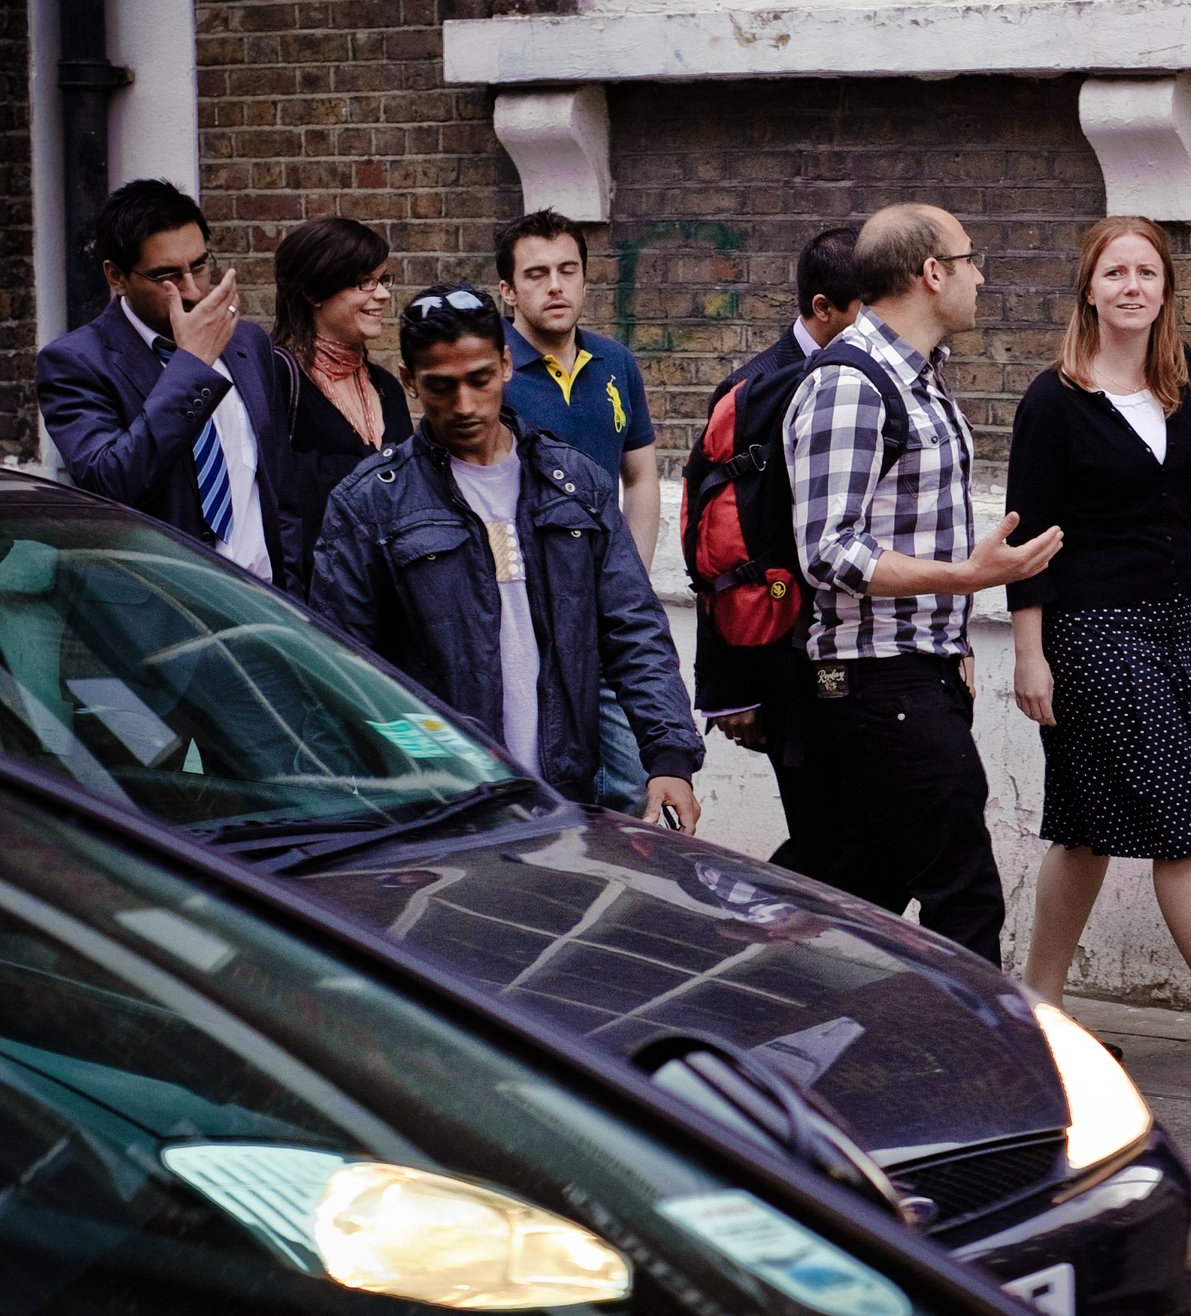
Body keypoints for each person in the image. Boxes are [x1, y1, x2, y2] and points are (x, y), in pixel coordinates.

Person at [1004, 215, 1191, 1059]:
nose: (1131, 286)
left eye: (1146, 273)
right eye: (1114, 272)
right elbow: (1026, 537)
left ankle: (1036, 1008)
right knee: (1182, 816)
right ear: (1089, 288)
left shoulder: (1178, 374)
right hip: (1091, 631)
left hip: (1171, 625)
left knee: (1084, 827)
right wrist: (1028, 652)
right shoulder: (1052, 399)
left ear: (1164, 290)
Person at [782, 203, 1062, 964]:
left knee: (852, 883)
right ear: (931, 272)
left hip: (916, 673)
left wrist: (951, 636)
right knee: (962, 893)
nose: (980, 276)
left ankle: (751, 1021)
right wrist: (967, 576)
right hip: (878, 685)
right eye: (971, 260)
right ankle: (973, 1071)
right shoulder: (853, 384)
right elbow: (831, 549)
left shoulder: (920, 377)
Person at [313, 283, 702, 828]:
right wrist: (426, 764)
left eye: (479, 380)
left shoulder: (573, 484)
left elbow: (632, 627)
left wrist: (668, 757)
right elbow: (344, 674)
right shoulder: (370, 504)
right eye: (441, 387)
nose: (465, 405)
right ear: (409, 381)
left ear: (505, 364)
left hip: (567, 792)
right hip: (442, 813)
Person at [694, 227, 862, 880]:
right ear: (823, 309)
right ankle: (748, 936)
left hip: (855, 663)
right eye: (864, 311)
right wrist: (727, 689)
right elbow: (714, 545)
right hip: (782, 666)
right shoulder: (755, 393)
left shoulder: (870, 381)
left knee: (864, 842)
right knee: (829, 844)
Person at [37, 178, 299, 590]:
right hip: (161, 619)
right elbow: (113, 482)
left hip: (263, 605)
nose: (193, 290)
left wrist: (292, 594)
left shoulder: (247, 342)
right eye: (167, 276)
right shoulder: (75, 362)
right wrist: (192, 365)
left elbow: (278, 489)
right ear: (117, 277)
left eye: (199, 265)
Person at [495, 208, 660, 814]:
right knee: (541, 790)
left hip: (606, 613)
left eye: (568, 270)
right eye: (536, 274)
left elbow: (640, 476)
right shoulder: (493, 376)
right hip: (528, 616)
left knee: (633, 785)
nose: (556, 286)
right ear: (508, 290)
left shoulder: (614, 362)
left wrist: (630, 579)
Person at [271, 215, 414, 588]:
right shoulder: (277, 380)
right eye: (364, 282)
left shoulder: (387, 387)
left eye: (383, 280)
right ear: (314, 292)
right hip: (315, 605)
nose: (382, 294)